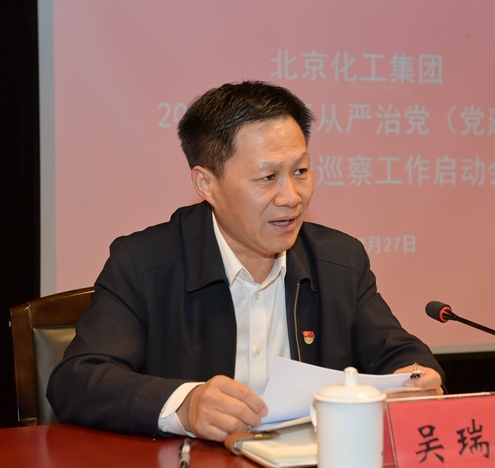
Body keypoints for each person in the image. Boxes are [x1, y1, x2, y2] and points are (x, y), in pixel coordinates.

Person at [47, 81, 444, 442]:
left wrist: (414, 378)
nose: (291, 197)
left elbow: (399, 354)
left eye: (300, 171)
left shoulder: (339, 261)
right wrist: (185, 404)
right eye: (267, 178)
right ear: (206, 183)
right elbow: (78, 379)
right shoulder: (143, 263)